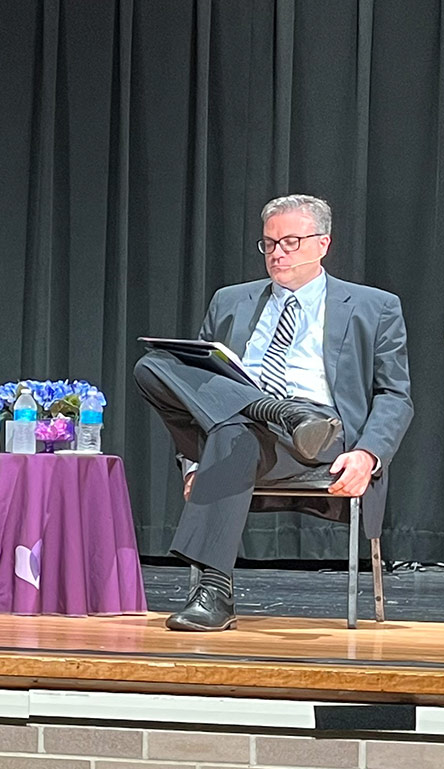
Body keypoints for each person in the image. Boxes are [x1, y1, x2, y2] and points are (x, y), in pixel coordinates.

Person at [134, 194, 412, 632]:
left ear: (323, 243)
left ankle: (213, 591)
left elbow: (395, 395)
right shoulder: (230, 301)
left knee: (231, 434)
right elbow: (202, 390)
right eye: (269, 244)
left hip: (321, 431)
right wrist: (193, 461)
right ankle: (273, 410)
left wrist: (369, 454)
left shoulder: (373, 306)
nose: (277, 254)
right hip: (245, 425)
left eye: (291, 242)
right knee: (154, 366)